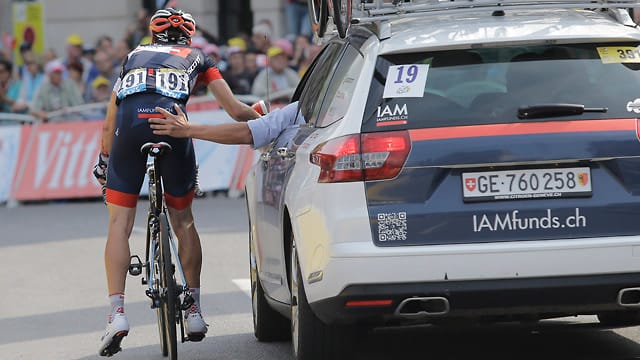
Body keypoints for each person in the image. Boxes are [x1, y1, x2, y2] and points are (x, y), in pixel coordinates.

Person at [92, 8, 262, 357]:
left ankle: (117, 313)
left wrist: (104, 161)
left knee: (119, 224)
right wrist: (263, 114)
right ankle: (195, 310)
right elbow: (234, 110)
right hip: (174, 129)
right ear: (188, 37)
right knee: (183, 221)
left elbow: (110, 121)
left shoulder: (132, 57)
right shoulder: (200, 57)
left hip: (128, 133)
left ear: (154, 37)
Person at [149, 100, 303, 149]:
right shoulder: (300, 108)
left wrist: (187, 129)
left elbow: (247, 130)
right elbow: (238, 113)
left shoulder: (299, 108)